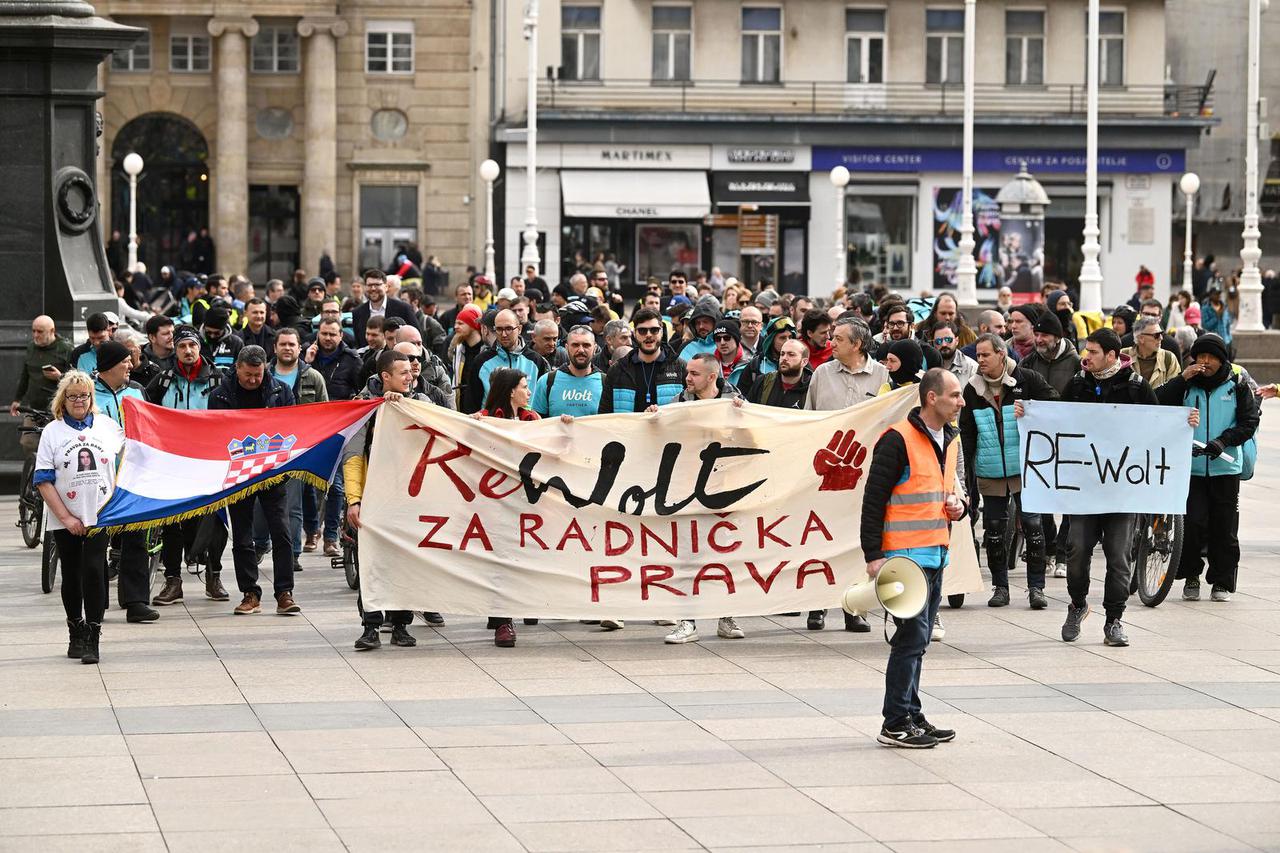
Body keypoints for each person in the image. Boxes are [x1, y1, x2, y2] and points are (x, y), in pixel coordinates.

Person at [862, 369, 967, 748]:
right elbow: (873, 500)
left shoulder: (951, 438)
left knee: (919, 640)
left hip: (935, 553)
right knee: (910, 639)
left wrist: (961, 505)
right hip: (904, 558)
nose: (961, 401)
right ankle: (895, 722)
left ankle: (911, 712)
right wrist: (873, 555)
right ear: (931, 398)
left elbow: (954, 488)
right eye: (954, 395)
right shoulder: (897, 440)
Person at [1053, 329, 1161, 647]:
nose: (1086, 357)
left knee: (1118, 557)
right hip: (1085, 490)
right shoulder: (1077, 383)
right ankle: (1077, 604)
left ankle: (1114, 620)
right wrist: (1029, 416)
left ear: (1112, 356)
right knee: (1077, 552)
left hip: (1121, 490)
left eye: (1094, 352)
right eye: (1085, 350)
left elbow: (1159, 423)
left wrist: (1185, 423)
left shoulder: (1136, 387)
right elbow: (1056, 419)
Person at [1156, 334, 1258, 602]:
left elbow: (1249, 421)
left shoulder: (1236, 384)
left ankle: (1222, 582)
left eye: (1211, 357)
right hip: (1192, 469)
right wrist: (1182, 378)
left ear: (1221, 359)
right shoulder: (1188, 385)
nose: (1205, 362)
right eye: (1200, 356)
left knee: (1224, 528)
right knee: (1192, 525)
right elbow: (1156, 402)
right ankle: (1191, 575)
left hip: (1226, 469)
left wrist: (1223, 441)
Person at [960, 334, 1057, 609]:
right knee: (993, 530)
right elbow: (967, 434)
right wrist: (965, 471)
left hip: (1025, 470)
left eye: (985, 355)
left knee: (1033, 526)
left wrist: (1031, 411)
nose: (980, 360)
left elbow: (1054, 406)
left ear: (1001, 354)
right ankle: (1000, 586)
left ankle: (1036, 588)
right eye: (978, 355)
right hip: (990, 470)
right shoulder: (972, 389)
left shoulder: (1027, 380)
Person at [35, 371, 125, 664]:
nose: (78, 401)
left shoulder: (107, 426)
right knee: (72, 573)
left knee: (93, 570)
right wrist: (66, 517)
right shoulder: (53, 431)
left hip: (99, 514)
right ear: (64, 399)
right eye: (72, 396)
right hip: (65, 516)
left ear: (91, 398)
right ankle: (75, 628)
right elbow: (44, 480)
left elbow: (129, 455)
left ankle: (93, 636)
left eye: (84, 395)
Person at [209, 346, 300, 617]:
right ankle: (250, 593)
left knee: (281, 532)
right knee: (243, 536)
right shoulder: (220, 395)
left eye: (257, 375)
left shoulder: (280, 392)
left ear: (265, 370)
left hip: (273, 471)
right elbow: (215, 433)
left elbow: (294, 427)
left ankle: (284, 592)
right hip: (239, 473)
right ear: (237, 368)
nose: (252, 380)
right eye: (248, 374)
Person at [663, 353, 747, 645]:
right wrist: (653, 417)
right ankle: (688, 620)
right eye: (688, 372)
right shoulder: (677, 404)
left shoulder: (736, 403)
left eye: (695, 374)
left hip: (725, 491)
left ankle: (726, 616)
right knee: (689, 557)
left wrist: (743, 416)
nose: (688, 378)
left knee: (726, 556)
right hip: (687, 493)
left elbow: (755, 439)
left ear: (712, 377)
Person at [344, 350, 424, 651]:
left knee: (405, 562)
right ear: (384, 377)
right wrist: (354, 500)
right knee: (372, 564)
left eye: (411, 371)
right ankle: (371, 626)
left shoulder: (422, 403)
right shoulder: (364, 408)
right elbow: (353, 457)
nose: (410, 376)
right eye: (403, 372)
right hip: (374, 499)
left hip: (410, 498)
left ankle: (401, 624)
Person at [145, 326, 229, 604]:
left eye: (192, 345)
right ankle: (173, 580)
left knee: (215, 521)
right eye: (182, 346)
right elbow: (146, 412)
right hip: (173, 463)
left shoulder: (219, 379)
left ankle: (214, 576)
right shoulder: (164, 380)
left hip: (210, 463)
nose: (188, 351)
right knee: (172, 522)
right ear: (176, 350)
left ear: (199, 347)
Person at [91, 341, 159, 625]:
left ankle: (136, 602)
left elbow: (151, 427)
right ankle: (96, 602)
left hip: (133, 478)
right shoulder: (88, 394)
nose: (131, 365)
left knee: (136, 541)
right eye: (125, 362)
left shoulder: (137, 391)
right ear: (108, 367)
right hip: (97, 480)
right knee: (96, 542)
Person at [475, 367, 542, 647]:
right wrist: (473, 425)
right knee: (501, 557)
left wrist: (563, 425)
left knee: (522, 556)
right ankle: (503, 621)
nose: (529, 392)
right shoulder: (488, 419)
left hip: (526, 499)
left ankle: (511, 605)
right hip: (496, 499)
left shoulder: (532, 418)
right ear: (510, 390)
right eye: (525, 386)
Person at [462, 308, 549, 413]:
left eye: (508, 329)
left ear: (520, 329)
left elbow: (543, 402)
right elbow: (471, 404)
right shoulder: (481, 361)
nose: (503, 334)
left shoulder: (536, 360)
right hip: (492, 426)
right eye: (499, 329)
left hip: (526, 426)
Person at [600, 309, 686, 413]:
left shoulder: (680, 367)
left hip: (667, 428)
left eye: (654, 330)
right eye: (642, 331)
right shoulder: (618, 370)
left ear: (662, 332)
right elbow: (604, 414)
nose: (648, 335)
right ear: (634, 333)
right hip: (628, 429)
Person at [10, 315, 73, 455]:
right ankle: (34, 472)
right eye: (33, 331)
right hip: (34, 409)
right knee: (28, 443)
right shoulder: (31, 347)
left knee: (55, 446)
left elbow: (76, 380)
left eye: (40, 332)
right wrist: (17, 399)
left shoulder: (66, 349)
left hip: (56, 410)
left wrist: (59, 376)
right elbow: (25, 375)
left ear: (52, 331)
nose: (35, 335)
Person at [532, 326, 603, 417]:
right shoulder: (547, 381)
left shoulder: (605, 382)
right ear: (566, 347)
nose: (581, 350)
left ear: (595, 348)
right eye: (575, 345)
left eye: (586, 345)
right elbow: (537, 424)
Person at [352, 269, 418, 347]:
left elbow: (416, 338)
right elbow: (359, 343)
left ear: (386, 287)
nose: (373, 288)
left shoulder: (403, 309)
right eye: (369, 285)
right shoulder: (357, 312)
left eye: (377, 284)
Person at [735, 316, 797, 394]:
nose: (788, 342)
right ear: (771, 340)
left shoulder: (801, 364)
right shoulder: (755, 366)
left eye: (791, 337)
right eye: (782, 338)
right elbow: (742, 398)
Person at [747, 338, 811, 408]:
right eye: (782, 354)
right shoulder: (763, 382)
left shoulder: (812, 387)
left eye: (791, 354)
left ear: (804, 362)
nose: (784, 358)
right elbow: (748, 409)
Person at [1122, 317, 1181, 388]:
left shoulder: (1169, 358)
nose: (1161, 338)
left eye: (1161, 333)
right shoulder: (1123, 356)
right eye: (1156, 335)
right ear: (1141, 338)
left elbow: (1174, 390)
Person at [710, 318, 749, 386]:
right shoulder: (709, 363)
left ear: (737, 339)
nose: (722, 342)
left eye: (727, 338)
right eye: (718, 339)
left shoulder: (750, 363)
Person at [1201, 285, 1233, 350]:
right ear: (1210, 295)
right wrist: (1216, 317)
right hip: (1213, 342)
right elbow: (1205, 326)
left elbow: (1228, 324)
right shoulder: (1205, 309)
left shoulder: (1224, 307)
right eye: (1216, 294)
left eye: (1219, 294)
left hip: (1226, 341)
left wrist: (1229, 338)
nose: (1218, 296)